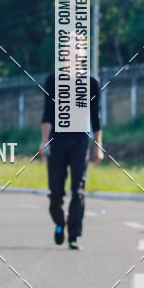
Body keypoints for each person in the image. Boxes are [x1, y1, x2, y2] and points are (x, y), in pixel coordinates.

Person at [39, 71, 103, 250]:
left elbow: (95, 117)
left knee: (78, 189)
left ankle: (73, 235)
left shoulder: (91, 82)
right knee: (55, 192)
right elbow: (47, 113)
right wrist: (44, 141)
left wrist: (98, 146)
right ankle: (60, 223)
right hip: (56, 141)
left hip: (80, 141)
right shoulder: (53, 80)